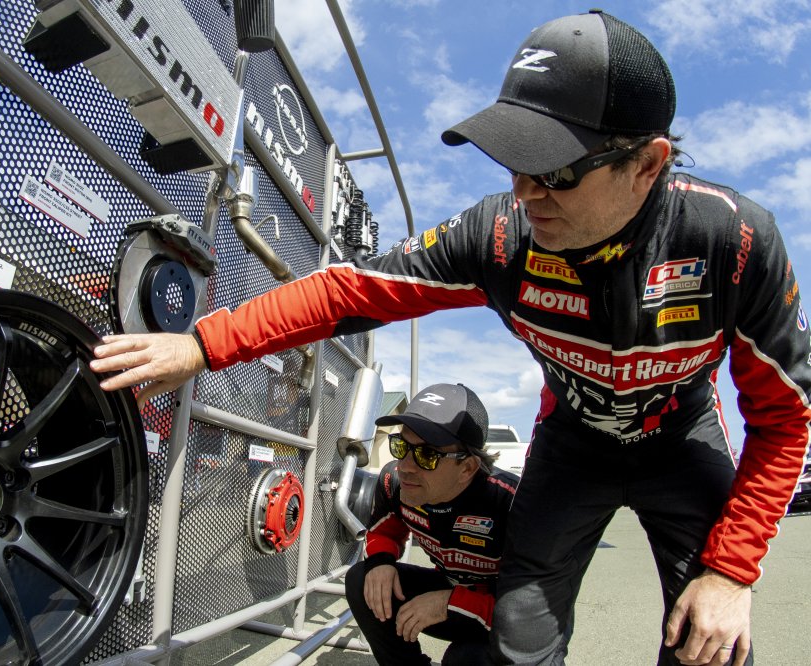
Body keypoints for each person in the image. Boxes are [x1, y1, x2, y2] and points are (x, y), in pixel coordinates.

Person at [90, 10, 811, 665]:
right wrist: (202, 345)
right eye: (514, 162)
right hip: (572, 445)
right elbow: (349, 291)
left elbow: (785, 418)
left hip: (681, 441)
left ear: (646, 165)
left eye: (556, 171)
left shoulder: (734, 241)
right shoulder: (499, 237)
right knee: (516, 644)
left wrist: (731, 572)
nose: (525, 193)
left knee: (711, 645)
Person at [345, 383, 517, 665]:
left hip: (506, 613)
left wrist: (450, 602)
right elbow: (383, 532)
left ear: (467, 468)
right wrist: (381, 561)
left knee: (465, 659)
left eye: (427, 455)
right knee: (362, 579)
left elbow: (530, 608)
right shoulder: (394, 483)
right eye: (402, 446)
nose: (405, 466)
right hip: (452, 590)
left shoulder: (511, 503)